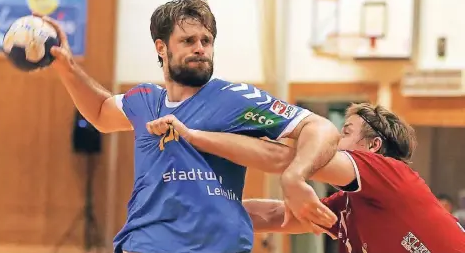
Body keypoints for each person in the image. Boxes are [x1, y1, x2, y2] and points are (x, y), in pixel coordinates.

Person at [39, 0, 339, 253]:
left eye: (206, 41)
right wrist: (67, 67)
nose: (200, 49)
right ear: (161, 48)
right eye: (188, 41)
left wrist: (295, 177)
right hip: (146, 244)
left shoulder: (235, 98)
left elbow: (321, 128)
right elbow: (102, 112)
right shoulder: (144, 98)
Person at [153, 102, 465, 252]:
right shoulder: (347, 206)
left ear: (372, 147)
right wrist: (198, 212)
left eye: (343, 133)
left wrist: (195, 136)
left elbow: (284, 158)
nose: (333, 141)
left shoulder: (391, 176)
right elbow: (277, 215)